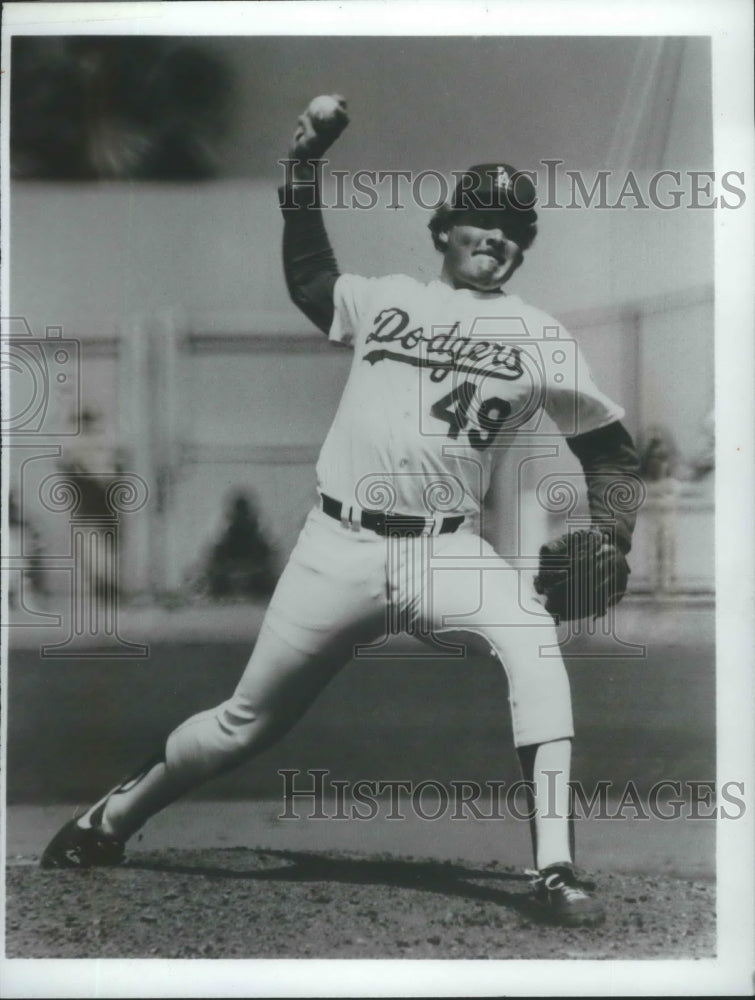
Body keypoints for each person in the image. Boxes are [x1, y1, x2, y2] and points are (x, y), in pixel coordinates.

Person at [41, 98, 640, 929]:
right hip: (337, 547)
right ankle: (105, 821)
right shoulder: (383, 299)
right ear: (444, 228)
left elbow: (610, 449)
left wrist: (611, 530)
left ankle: (553, 868)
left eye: (514, 226)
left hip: (447, 555)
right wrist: (303, 165)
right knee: (243, 723)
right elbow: (307, 275)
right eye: (482, 216)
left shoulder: (540, 337)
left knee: (535, 645)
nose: (498, 235)